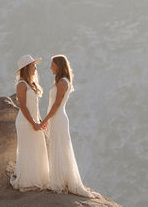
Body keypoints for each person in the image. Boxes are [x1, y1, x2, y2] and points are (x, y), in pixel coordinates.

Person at [42, 54, 92, 196]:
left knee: (59, 147)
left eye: (52, 64)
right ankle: (58, 178)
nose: (50, 67)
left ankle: (58, 181)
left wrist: (44, 120)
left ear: (59, 65)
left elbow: (57, 104)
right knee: (57, 147)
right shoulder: (59, 81)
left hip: (58, 118)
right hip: (56, 118)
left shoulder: (63, 82)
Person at [10, 54, 49, 191]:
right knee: (28, 149)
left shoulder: (31, 84)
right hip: (25, 123)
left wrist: (40, 120)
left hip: (33, 120)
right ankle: (27, 180)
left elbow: (35, 106)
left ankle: (38, 177)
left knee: (38, 148)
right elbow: (23, 106)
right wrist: (33, 123)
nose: (36, 68)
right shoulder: (21, 84)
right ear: (27, 68)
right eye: (33, 65)